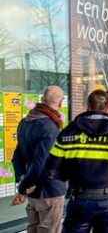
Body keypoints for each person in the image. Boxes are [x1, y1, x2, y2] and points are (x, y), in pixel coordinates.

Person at [47, 89, 108, 232]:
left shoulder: (69, 131)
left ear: (88, 106)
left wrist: (71, 176)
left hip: (79, 199)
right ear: (107, 107)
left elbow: (52, 167)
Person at [12, 86, 66, 233]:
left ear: (42, 100)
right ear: (60, 103)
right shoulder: (51, 126)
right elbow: (41, 162)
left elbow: (17, 156)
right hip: (50, 190)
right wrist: (23, 188)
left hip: (33, 191)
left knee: (33, 229)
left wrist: (23, 181)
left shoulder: (25, 122)